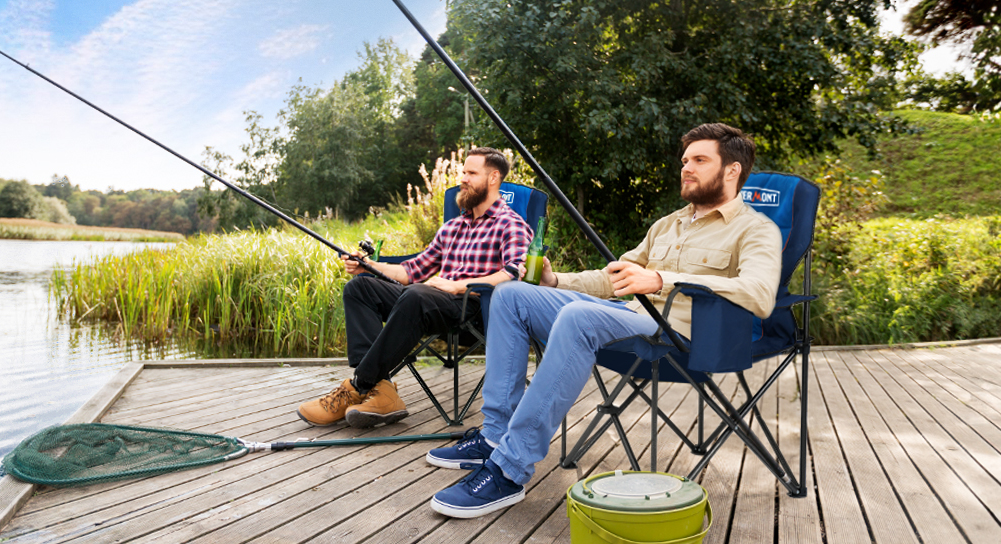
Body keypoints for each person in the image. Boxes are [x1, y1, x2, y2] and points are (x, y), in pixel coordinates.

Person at [426, 123, 782, 518]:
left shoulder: (755, 228)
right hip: (628, 316)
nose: (686, 168)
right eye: (685, 160)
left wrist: (663, 279)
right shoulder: (668, 225)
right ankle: (494, 437)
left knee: (579, 317)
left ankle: (509, 469)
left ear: (731, 170)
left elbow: (760, 294)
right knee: (512, 295)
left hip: (684, 335)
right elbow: (615, 278)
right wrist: (556, 280)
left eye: (700, 160)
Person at [297, 147, 534, 429]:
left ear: (493, 178)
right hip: (431, 301)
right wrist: (369, 266)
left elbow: (514, 273)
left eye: (472, 173)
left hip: (475, 308)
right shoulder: (453, 228)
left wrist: (458, 285)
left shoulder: (511, 225)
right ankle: (382, 391)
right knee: (360, 288)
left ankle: (357, 386)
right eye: (463, 172)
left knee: (417, 295)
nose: (464, 179)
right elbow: (412, 270)